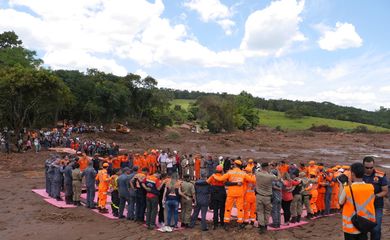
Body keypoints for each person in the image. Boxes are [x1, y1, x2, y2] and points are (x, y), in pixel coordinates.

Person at [212, 160, 255, 230]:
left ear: (235, 164)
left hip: (231, 193)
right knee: (240, 209)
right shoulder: (243, 174)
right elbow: (252, 180)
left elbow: (220, 179)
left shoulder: (230, 172)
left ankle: (226, 223)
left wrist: (214, 175)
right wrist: (252, 174)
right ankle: (240, 223)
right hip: (240, 193)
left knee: (228, 208)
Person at [339, 162, 376, 240]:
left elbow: (340, 202)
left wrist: (341, 184)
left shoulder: (348, 189)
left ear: (352, 174)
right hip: (365, 224)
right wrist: (350, 183)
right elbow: (360, 191)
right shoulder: (370, 187)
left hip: (351, 226)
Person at [362, 156, 388, 240]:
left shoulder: (380, 175)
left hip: (377, 205)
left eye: (371, 167)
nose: (369, 169)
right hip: (362, 206)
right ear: (363, 166)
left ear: (374, 165)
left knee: (376, 228)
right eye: (367, 168)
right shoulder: (359, 174)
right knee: (362, 229)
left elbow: (385, 191)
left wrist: (375, 196)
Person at [255, 162, 277, 233]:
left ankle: (261, 227)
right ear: (267, 167)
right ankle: (265, 226)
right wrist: (270, 171)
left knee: (260, 212)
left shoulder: (257, 174)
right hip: (268, 197)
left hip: (259, 196)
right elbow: (277, 178)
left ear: (261, 167)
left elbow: (256, 171)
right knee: (267, 212)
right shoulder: (271, 176)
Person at [207, 165, 227, 230]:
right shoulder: (223, 176)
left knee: (215, 209)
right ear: (221, 170)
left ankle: (215, 224)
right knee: (222, 209)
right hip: (222, 194)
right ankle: (222, 223)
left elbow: (207, 182)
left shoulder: (212, 176)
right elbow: (225, 183)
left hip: (214, 194)